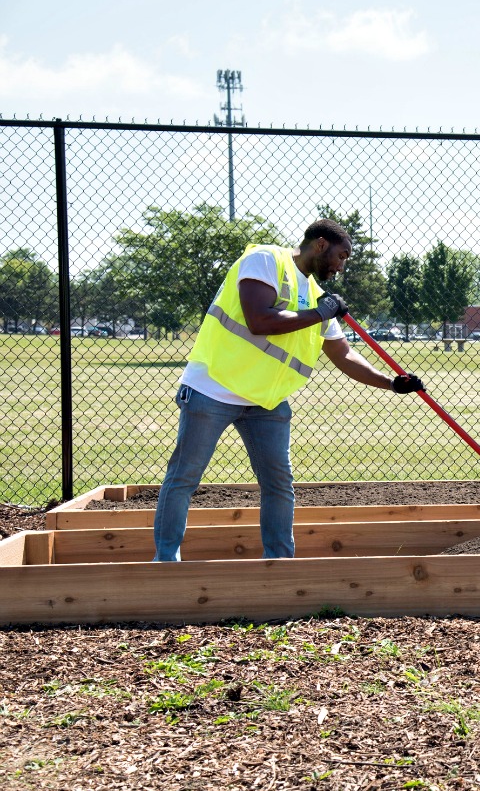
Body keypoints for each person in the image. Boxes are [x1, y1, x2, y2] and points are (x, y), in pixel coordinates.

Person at [152, 219, 425, 561]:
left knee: (279, 484)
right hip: (213, 389)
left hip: (266, 402)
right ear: (321, 245)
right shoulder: (267, 260)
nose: (342, 266)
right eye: (342, 256)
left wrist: (390, 382)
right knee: (184, 478)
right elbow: (259, 320)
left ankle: (280, 563)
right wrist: (318, 313)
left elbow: (343, 354)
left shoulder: (316, 297)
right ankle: (165, 562)